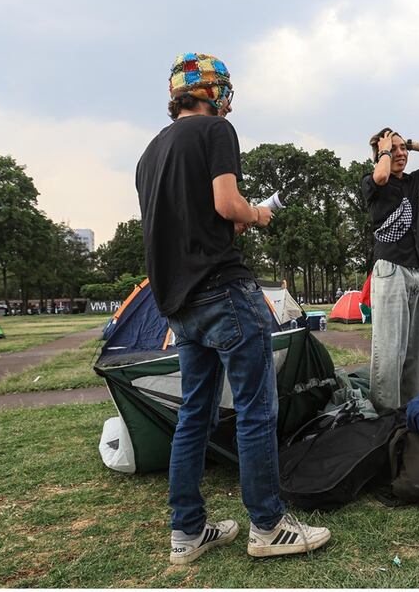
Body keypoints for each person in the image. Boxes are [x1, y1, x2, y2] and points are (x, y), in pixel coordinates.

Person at [136, 53, 330, 564]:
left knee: (194, 415)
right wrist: (258, 214)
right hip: (223, 291)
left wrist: (230, 221)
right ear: (213, 93)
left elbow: (193, 223)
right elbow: (226, 203)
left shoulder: (149, 154)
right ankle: (267, 526)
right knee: (256, 410)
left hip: (178, 303)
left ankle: (188, 532)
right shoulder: (216, 132)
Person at [362, 128, 419, 411]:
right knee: (389, 349)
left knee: (417, 350)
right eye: (394, 149)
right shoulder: (371, 181)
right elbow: (380, 176)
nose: (401, 154)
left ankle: (414, 411)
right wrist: (385, 150)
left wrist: (411, 144)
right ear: (379, 154)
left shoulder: (414, 183)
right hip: (391, 269)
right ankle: (385, 414)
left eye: (403, 149)